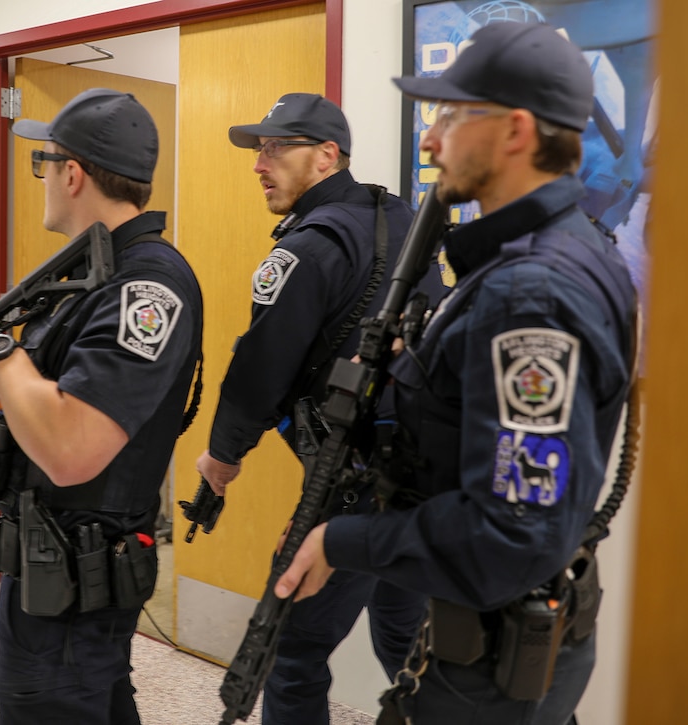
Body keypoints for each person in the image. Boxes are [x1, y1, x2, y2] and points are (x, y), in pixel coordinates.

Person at [275, 22, 637, 724]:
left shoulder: (533, 291)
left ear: (515, 131)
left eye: (449, 115)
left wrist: (342, 539)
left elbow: (514, 529)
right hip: (505, 644)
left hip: (489, 669)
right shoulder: (566, 248)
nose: (431, 140)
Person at [0, 88, 203, 724]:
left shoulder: (145, 287)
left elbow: (71, 448)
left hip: (70, 579)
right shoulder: (94, 275)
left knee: (51, 706)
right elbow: (46, 401)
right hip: (51, 568)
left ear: (72, 172)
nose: (42, 178)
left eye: (44, 162)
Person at [195, 93, 444, 724]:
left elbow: (260, 367)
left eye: (277, 149)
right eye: (259, 150)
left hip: (353, 482)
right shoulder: (399, 220)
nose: (260, 164)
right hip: (421, 477)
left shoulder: (308, 247)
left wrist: (223, 456)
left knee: (291, 649)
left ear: (326, 156)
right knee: (406, 640)